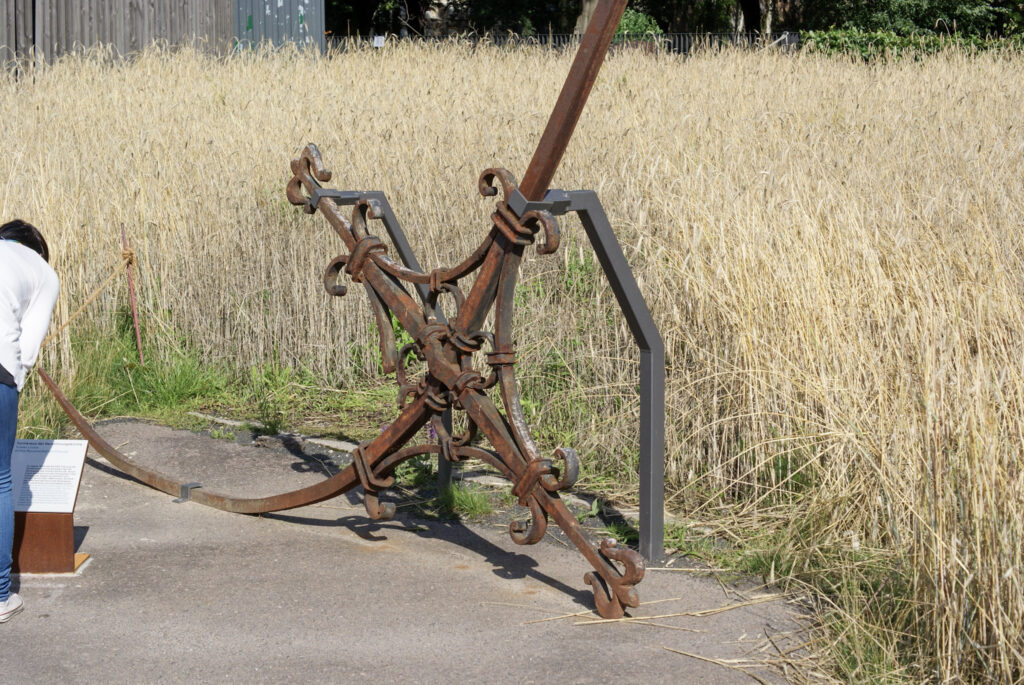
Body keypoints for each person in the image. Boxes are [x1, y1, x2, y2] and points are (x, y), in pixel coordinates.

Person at [0, 220, 60, 624]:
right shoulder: (42, 271)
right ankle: (1, 595)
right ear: (36, 248)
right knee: (1, 478)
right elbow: (26, 349)